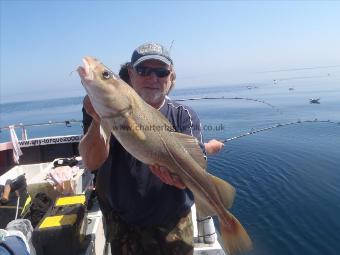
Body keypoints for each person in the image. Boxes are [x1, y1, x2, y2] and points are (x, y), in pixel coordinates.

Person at [79, 42, 223, 255]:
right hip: (122, 224)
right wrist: (98, 121)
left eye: (161, 72)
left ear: (170, 77)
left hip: (172, 226)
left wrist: (183, 180)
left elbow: (196, 159)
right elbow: (92, 162)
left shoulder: (184, 115)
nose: (153, 78)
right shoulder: (97, 107)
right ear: (130, 73)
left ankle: (228, 223)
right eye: (143, 70)